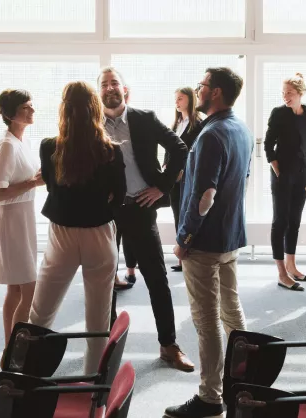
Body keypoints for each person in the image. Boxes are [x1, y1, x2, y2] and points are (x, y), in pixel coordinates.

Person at [165, 67, 252, 418]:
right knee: (231, 311)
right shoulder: (240, 128)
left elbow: (205, 194)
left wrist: (184, 238)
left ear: (215, 92)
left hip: (204, 243)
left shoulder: (212, 134)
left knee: (206, 321)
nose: (198, 89)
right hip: (230, 237)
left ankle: (210, 397)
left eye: (202, 85)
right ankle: (244, 378)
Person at [98, 67, 195, 372]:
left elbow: (181, 149)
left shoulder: (144, 118)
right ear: (98, 92)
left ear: (125, 90)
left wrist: (162, 187)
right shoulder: (91, 123)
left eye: (115, 82)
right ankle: (105, 348)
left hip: (141, 207)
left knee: (157, 280)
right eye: (104, 84)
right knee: (102, 283)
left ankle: (168, 345)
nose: (110, 87)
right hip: (106, 214)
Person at [29, 81, 126, 374]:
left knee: (41, 311)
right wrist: (100, 208)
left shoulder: (49, 147)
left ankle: (29, 374)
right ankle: (92, 381)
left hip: (62, 233)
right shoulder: (111, 151)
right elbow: (119, 196)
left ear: (63, 109)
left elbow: (50, 184)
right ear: (96, 108)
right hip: (99, 232)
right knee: (98, 318)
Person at [0, 89, 44, 356]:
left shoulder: (22, 142)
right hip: (12, 220)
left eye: (31, 106)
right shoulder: (7, 145)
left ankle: (7, 350)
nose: (32, 110)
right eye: (26, 107)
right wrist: (34, 182)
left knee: (16, 289)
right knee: (29, 289)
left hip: (24, 217)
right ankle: (15, 352)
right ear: (11, 114)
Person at [264, 73, 306, 291]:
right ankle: (281, 273)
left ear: (300, 93)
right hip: (283, 173)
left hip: (303, 172)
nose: (286, 97)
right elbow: (268, 144)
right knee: (280, 221)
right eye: (284, 93)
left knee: (295, 220)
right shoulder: (279, 113)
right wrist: (277, 168)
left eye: (290, 93)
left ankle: (292, 266)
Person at [168, 87, 204, 273]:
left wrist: (184, 170)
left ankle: (188, 254)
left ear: (190, 100)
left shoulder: (198, 124)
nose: (177, 102)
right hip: (174, 178)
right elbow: (171, 148)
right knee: (177, 214)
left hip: (187, 177)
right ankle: (181, 255)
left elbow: (197, 152)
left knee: (186, 214)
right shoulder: (177, 123)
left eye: (180, 98)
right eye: (176, 99)